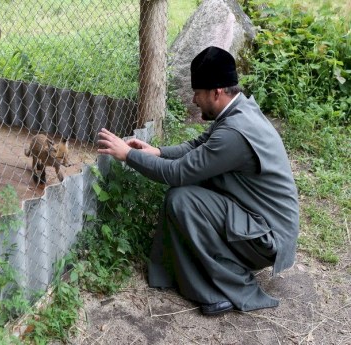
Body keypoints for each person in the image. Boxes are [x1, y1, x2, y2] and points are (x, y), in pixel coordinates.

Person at [97, 46, 299, 316]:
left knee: (183, 199)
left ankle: (224, 289)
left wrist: (129, 155)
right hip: (259, 222)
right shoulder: (239, 110)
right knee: (188, 193)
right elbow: (198, 146)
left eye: (198, 93)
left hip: (265, 237)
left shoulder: (234, 134)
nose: (194, 100)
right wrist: (156, 152)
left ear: (217, 92)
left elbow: (177, 173)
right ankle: (198, 272)